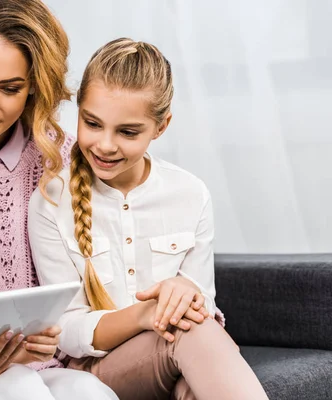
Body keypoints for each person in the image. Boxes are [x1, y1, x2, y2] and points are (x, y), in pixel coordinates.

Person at [28, 38, 269, 400]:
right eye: (92, 123)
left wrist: (186, 302)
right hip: (95, 372)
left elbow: (203, 304)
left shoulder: (190, 193)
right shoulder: (50, 201)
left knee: (193, 357)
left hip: (178, 350)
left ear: (161, 126)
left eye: (127, 132)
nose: (105, 145)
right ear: (77, 111)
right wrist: (146, 314)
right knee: (192, 332)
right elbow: (67, 330)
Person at [0, 1, 118, 399]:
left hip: (52, 366)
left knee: (91, 392)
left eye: (10, 88)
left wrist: (62, 335)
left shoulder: (64, 160)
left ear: (34, 87)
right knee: (19, 388)